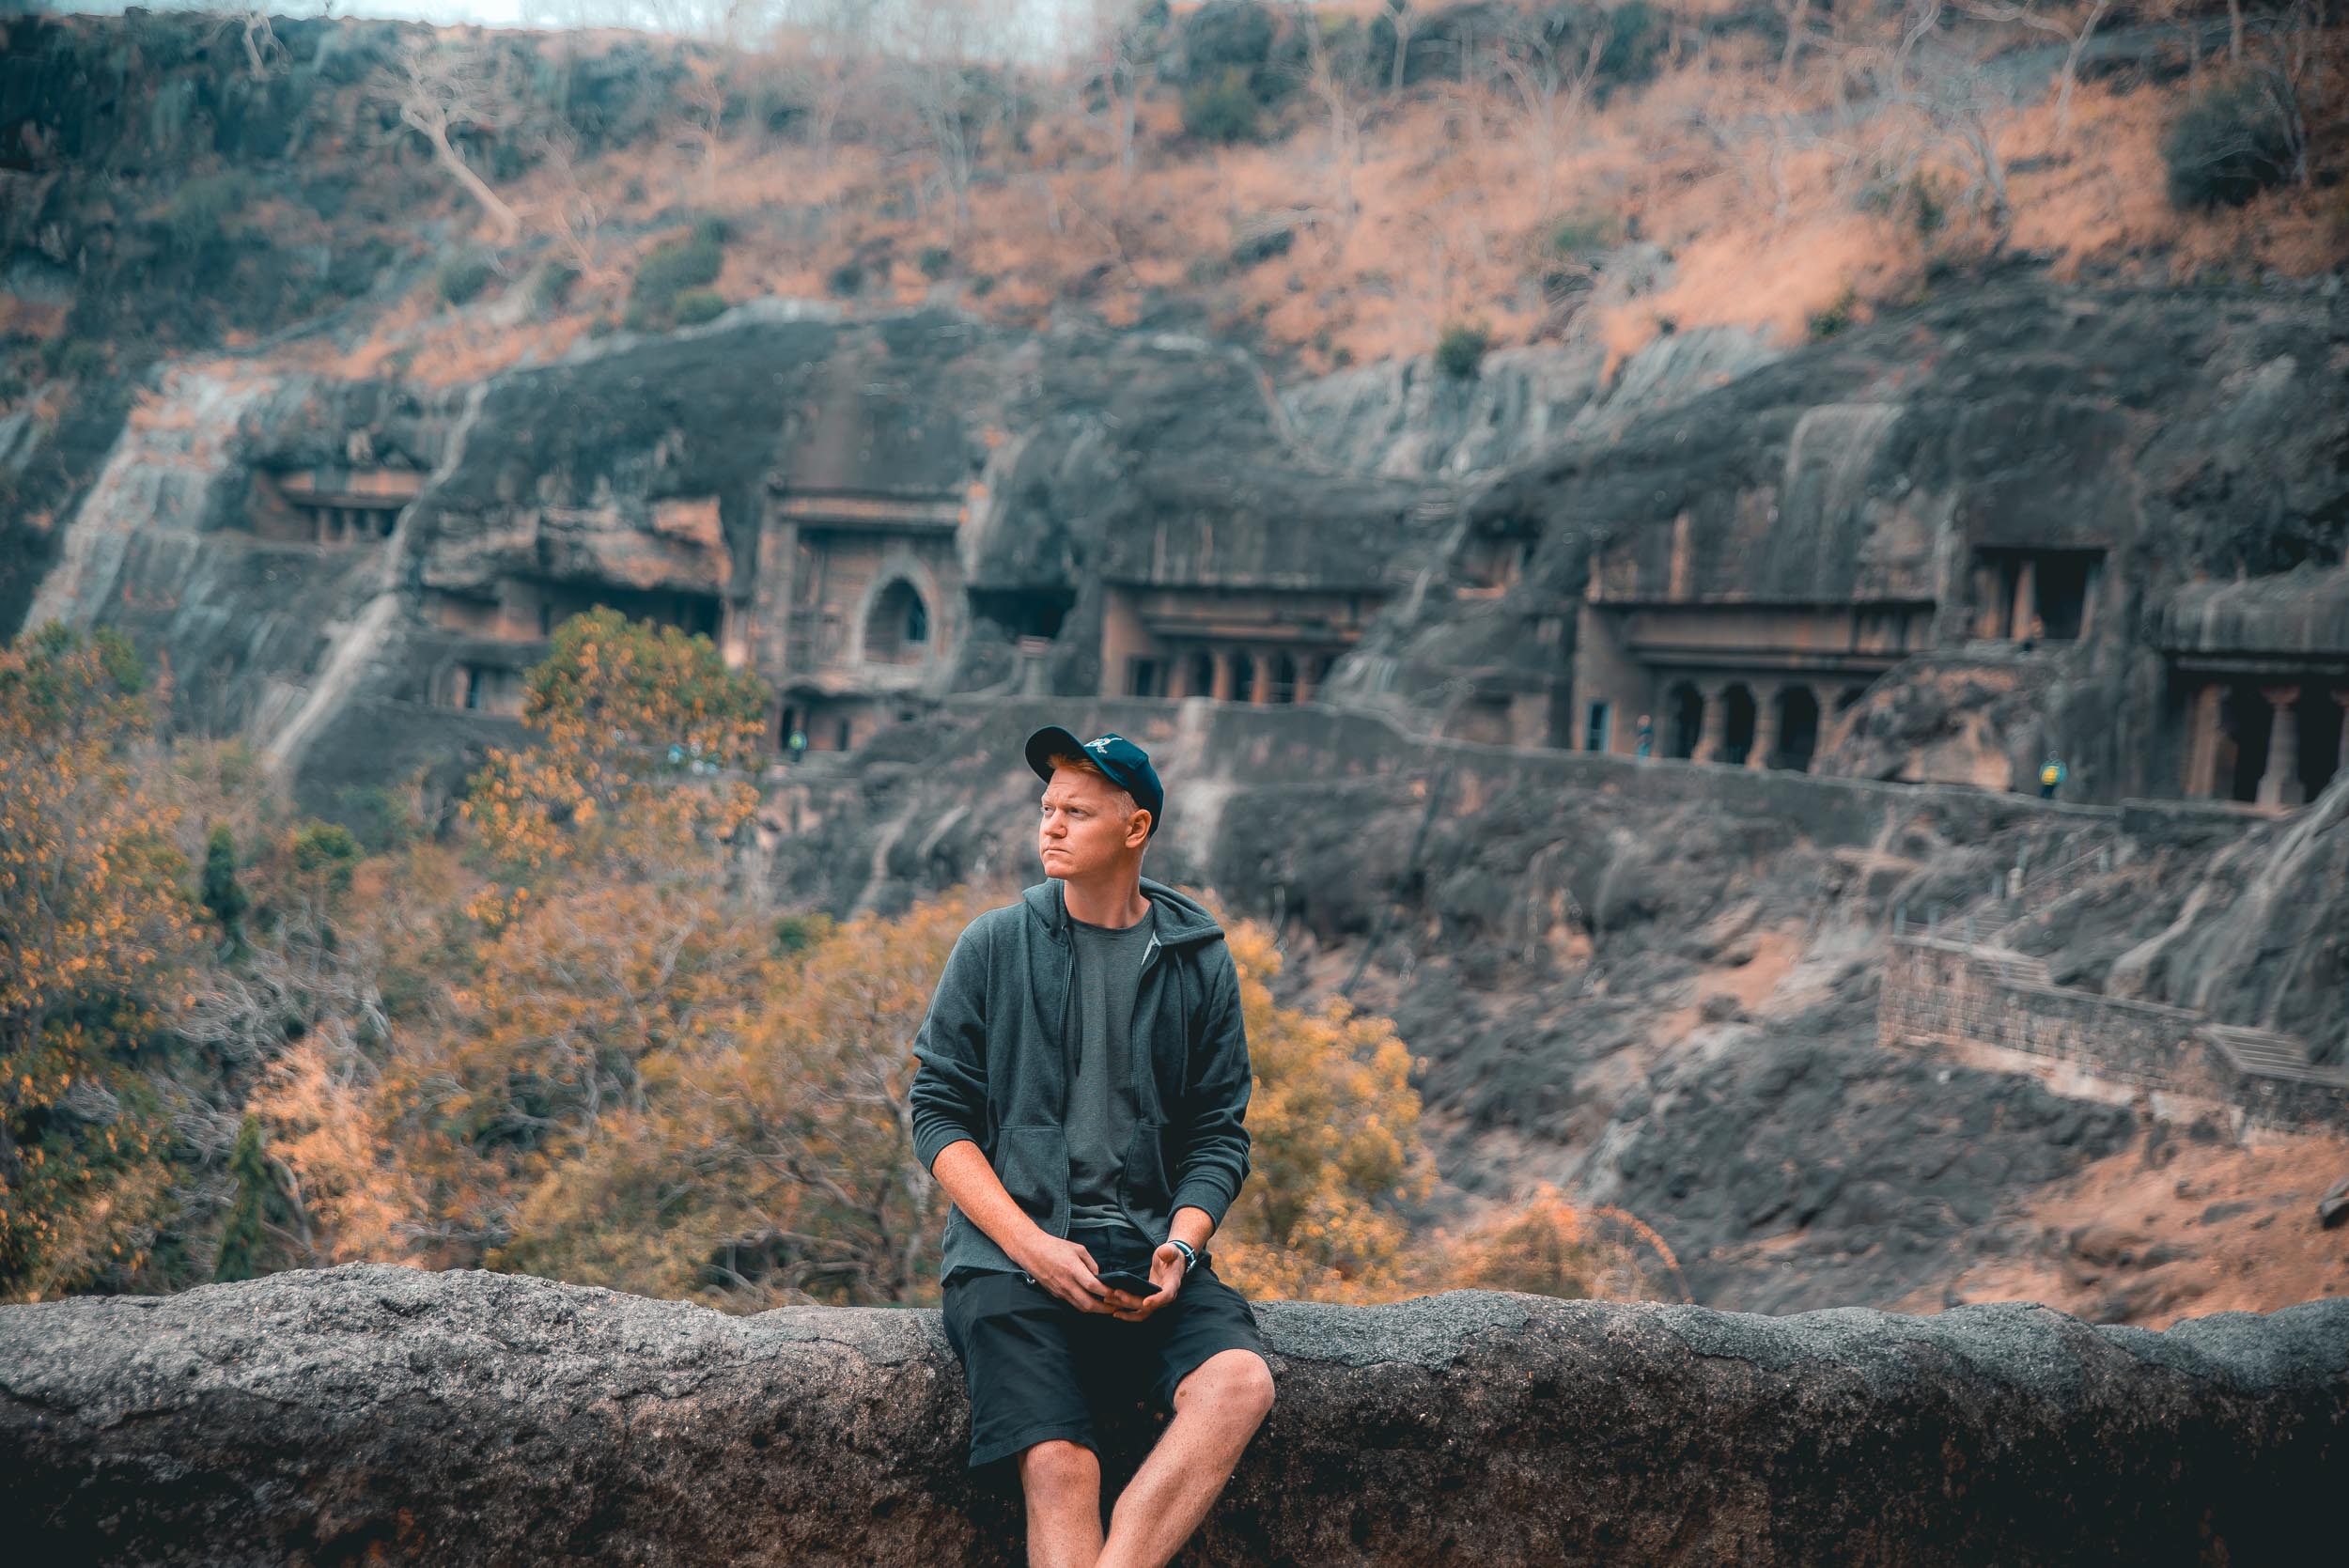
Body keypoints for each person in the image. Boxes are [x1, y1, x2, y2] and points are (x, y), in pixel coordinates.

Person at [910, 724, 1276, 1568]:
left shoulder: (1199, 960)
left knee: (1240, 1382)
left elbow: (1220, 1131)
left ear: (1136, 828)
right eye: (1047, 807)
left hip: (1148, 1255)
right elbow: (937, 1113)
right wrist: (1029, 1244)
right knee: (1064, 1466)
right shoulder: (994, 944)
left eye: (1076, 810)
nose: (1051, 825)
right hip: (1009, 1262)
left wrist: (1183, 1242)